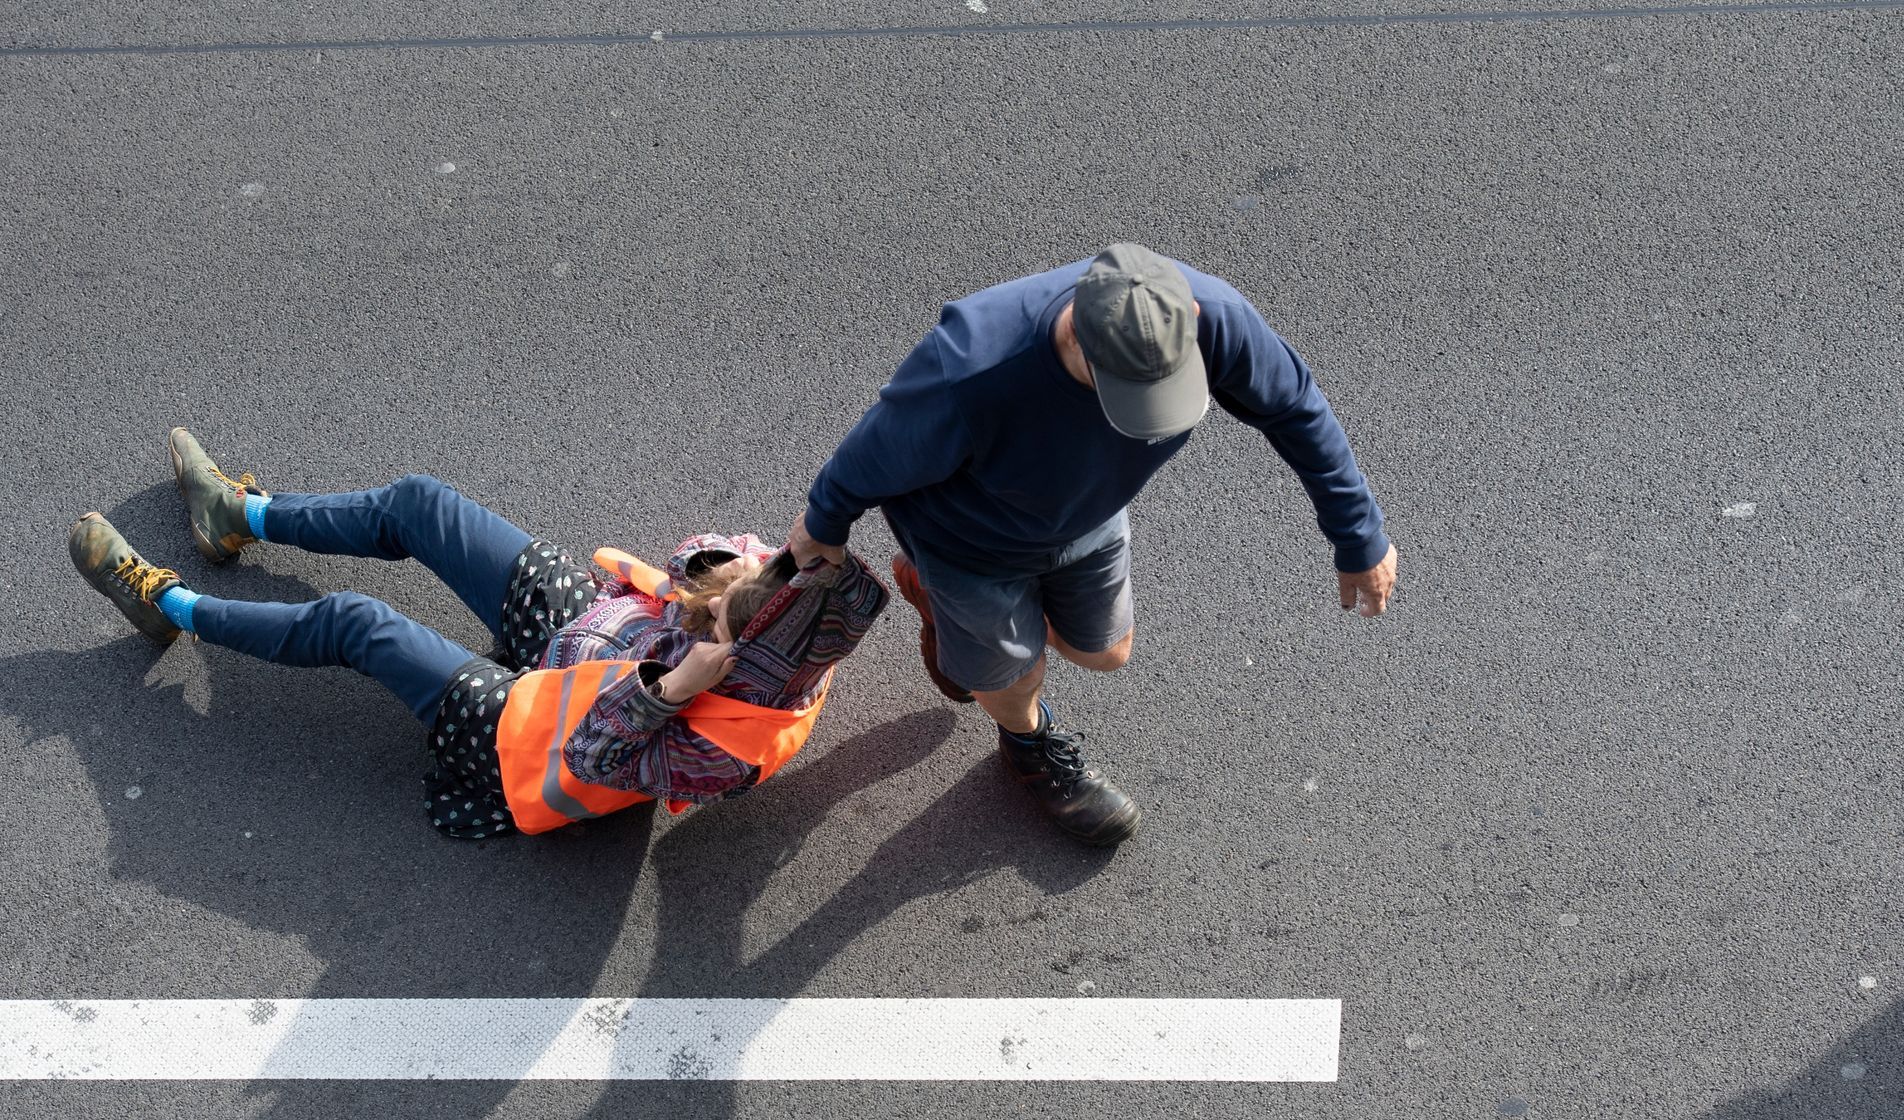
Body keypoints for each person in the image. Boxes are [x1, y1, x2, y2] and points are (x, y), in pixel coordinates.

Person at [788, 243, 1399, 847]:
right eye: (1128, 391)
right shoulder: (972, 367)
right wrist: (823, 528)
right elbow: (868, 457)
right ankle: (1028, 743)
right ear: (1077, 335)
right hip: (970, 544)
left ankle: (950, 615)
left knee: (1106, 653)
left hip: (1088, 518)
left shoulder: (1216, 316)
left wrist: (1359, 535)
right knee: (1015, 675)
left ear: (1187, 315)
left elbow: (1296, 408)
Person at [68, 428, 889, 838]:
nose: (712, 599)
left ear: (739, 656)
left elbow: (594, 757)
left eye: (715, 618)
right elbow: (689, 561)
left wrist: (671, 687)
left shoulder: (735, 746)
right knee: (420, 503)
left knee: (357, 622)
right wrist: (723, 575)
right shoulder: (785, 600)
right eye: (758, 575)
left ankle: (166, 605)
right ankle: (236, 516)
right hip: (584, 633)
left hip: (529, 732)